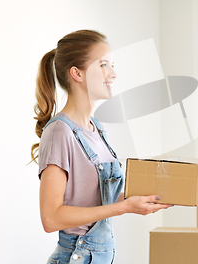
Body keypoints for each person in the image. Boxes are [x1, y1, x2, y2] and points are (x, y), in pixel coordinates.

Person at [31, 30, 171, 264]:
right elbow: (51, 218)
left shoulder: (97, 128)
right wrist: (123, 207)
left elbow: (98, 199)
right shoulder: (59, 132)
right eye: (104, 65)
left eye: (112, 65)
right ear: (77, 73)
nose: (113, 74)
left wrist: (142, 200)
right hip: (76, 256)